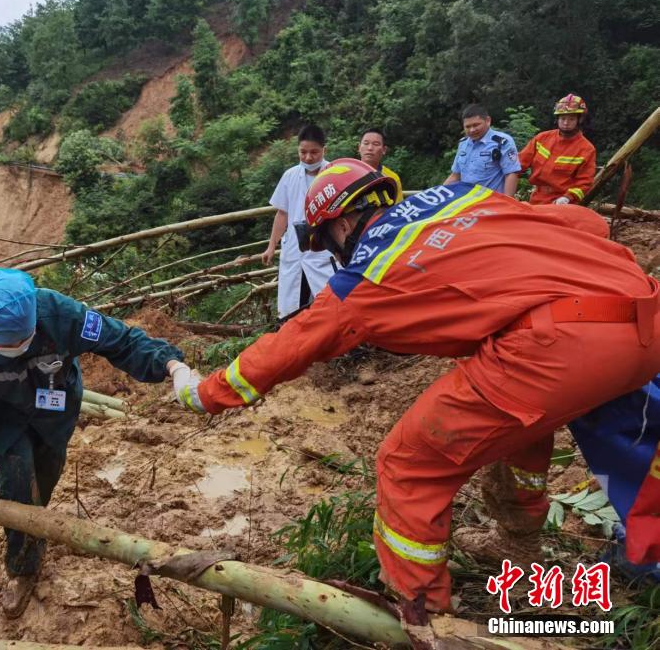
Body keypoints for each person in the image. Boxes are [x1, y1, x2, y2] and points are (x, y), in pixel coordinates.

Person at [174, 159, 660, 621]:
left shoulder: (364, 275)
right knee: (562, 428)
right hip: (640, 315)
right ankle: (607, 555)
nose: (332, 252)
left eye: (326, 241)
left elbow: (289, 345)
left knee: (407, 465)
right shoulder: (462, 196)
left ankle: (423, 614)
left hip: (555, 345)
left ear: (340, 225)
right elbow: (585, 225)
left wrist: (205, 393)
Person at [0, 269, 192, 618]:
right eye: (6, 344)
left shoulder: (63, 315)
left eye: (21, 340)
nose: (15, 348)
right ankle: (22, 570)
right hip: (5, 417)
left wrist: (171, 364)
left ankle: (33, 523)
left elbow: (119, 340)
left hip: (55, 410)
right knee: (17, 480)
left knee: (44, 477)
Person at [262, 125, 335, 320]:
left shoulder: (335, 175)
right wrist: (271, 246)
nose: (308, 158)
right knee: (293, 302)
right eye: (303, 152)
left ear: (324, 150)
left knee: (327, 299)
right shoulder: (290, 176)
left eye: (314, 152)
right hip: (294, 247)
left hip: (324, 247)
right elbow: (282, 214)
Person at [519, 93, 597, 205]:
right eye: (563, 118)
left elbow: (584, 183)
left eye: (571, 119)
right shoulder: (542, 138)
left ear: (579, 120)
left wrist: (568, 197)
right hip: (536, 198)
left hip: (563, 203)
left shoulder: (586, 149)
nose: (566, 123)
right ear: (557, 119)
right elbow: (519, 164)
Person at [444, 104, 522, 197]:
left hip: (491, 204)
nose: (472, 130)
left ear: (488, 121)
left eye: (476, 125)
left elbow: (511, 173)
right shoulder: (463, 143)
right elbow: (456, 176)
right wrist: (438, 194)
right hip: (466, 202)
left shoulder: (502, 142)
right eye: (467, 127)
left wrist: (507, 202)